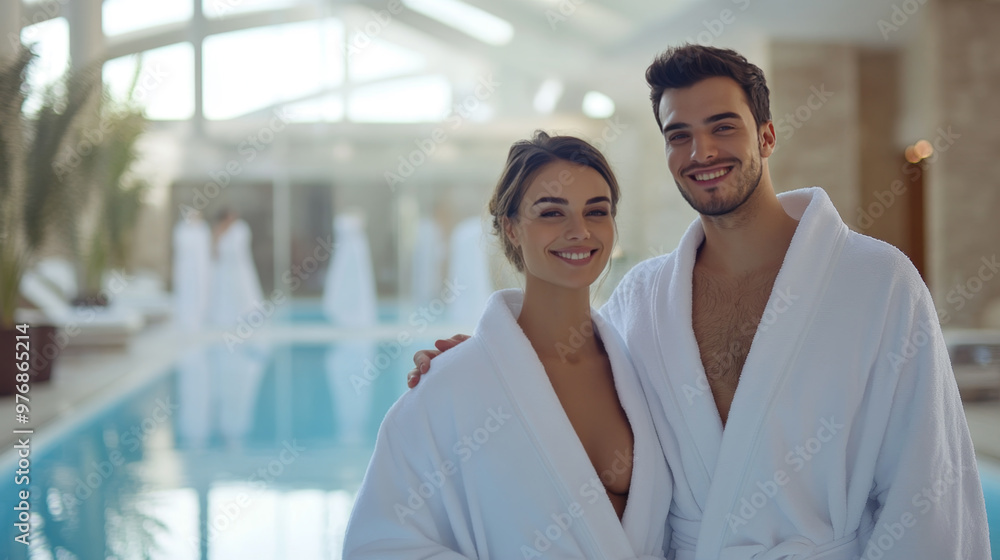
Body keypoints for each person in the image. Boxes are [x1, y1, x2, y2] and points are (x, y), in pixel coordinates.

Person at [407, 45, 992, 559]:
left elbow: (928, 485)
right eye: (678, 134)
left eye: (723, 126)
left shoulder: (876, 281)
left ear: (766, 134)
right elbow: (576, 379)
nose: (701, 150)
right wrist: (490, 363)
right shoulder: (644, 297)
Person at [343, 132, 672, 559]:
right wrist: (474, 367)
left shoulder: (645, 368)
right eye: (552, 212)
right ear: (510, 228)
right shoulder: (451, 386)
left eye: (597, 211)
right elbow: (377, 544)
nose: (580, 231)